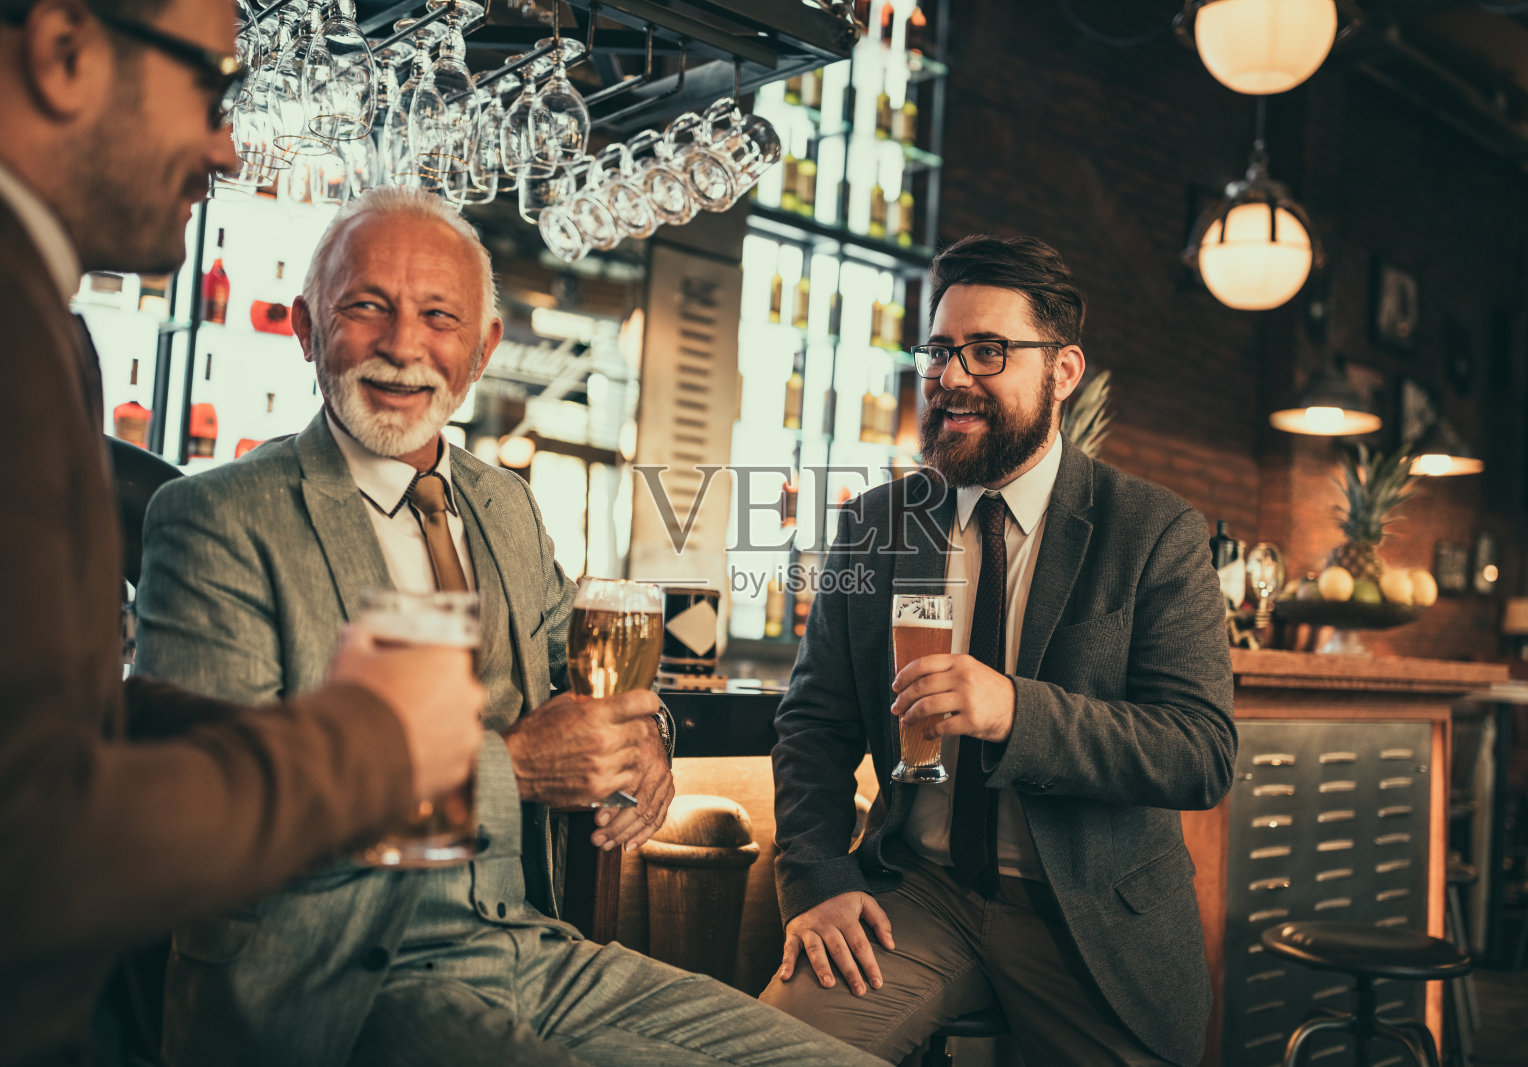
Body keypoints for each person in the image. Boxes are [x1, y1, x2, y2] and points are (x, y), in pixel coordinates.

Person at [135, 187, 889, 1067]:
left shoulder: (505, 506)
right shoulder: (214, 517)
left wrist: (645, 736)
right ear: (306, 329)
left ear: (483, 349)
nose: (403, 344)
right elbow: (215, 815)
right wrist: (518, 768)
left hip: (529, 950)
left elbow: (592, 681)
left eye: (439, 317)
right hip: (332, 977)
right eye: (365, 306)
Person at [0, 0, 484, 1060]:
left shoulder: (45, 319)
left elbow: (55, 720)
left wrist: (274, 723)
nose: (226, 146)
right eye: (211, 89)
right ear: (65, 50)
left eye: (441, 316)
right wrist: (370, 739)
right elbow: (35, 846)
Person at [759, 235, 1237, 1066]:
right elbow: (814, 723)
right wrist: (817, 877)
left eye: (987, 351)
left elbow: (1198, 752)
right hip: (918, 894)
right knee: (761, 1054)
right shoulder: (878, 523)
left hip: (1087, 918)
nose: (951, 377)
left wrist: (1017, 710)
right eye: (940, 351)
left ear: (1063, 370)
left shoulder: (1153, 531)